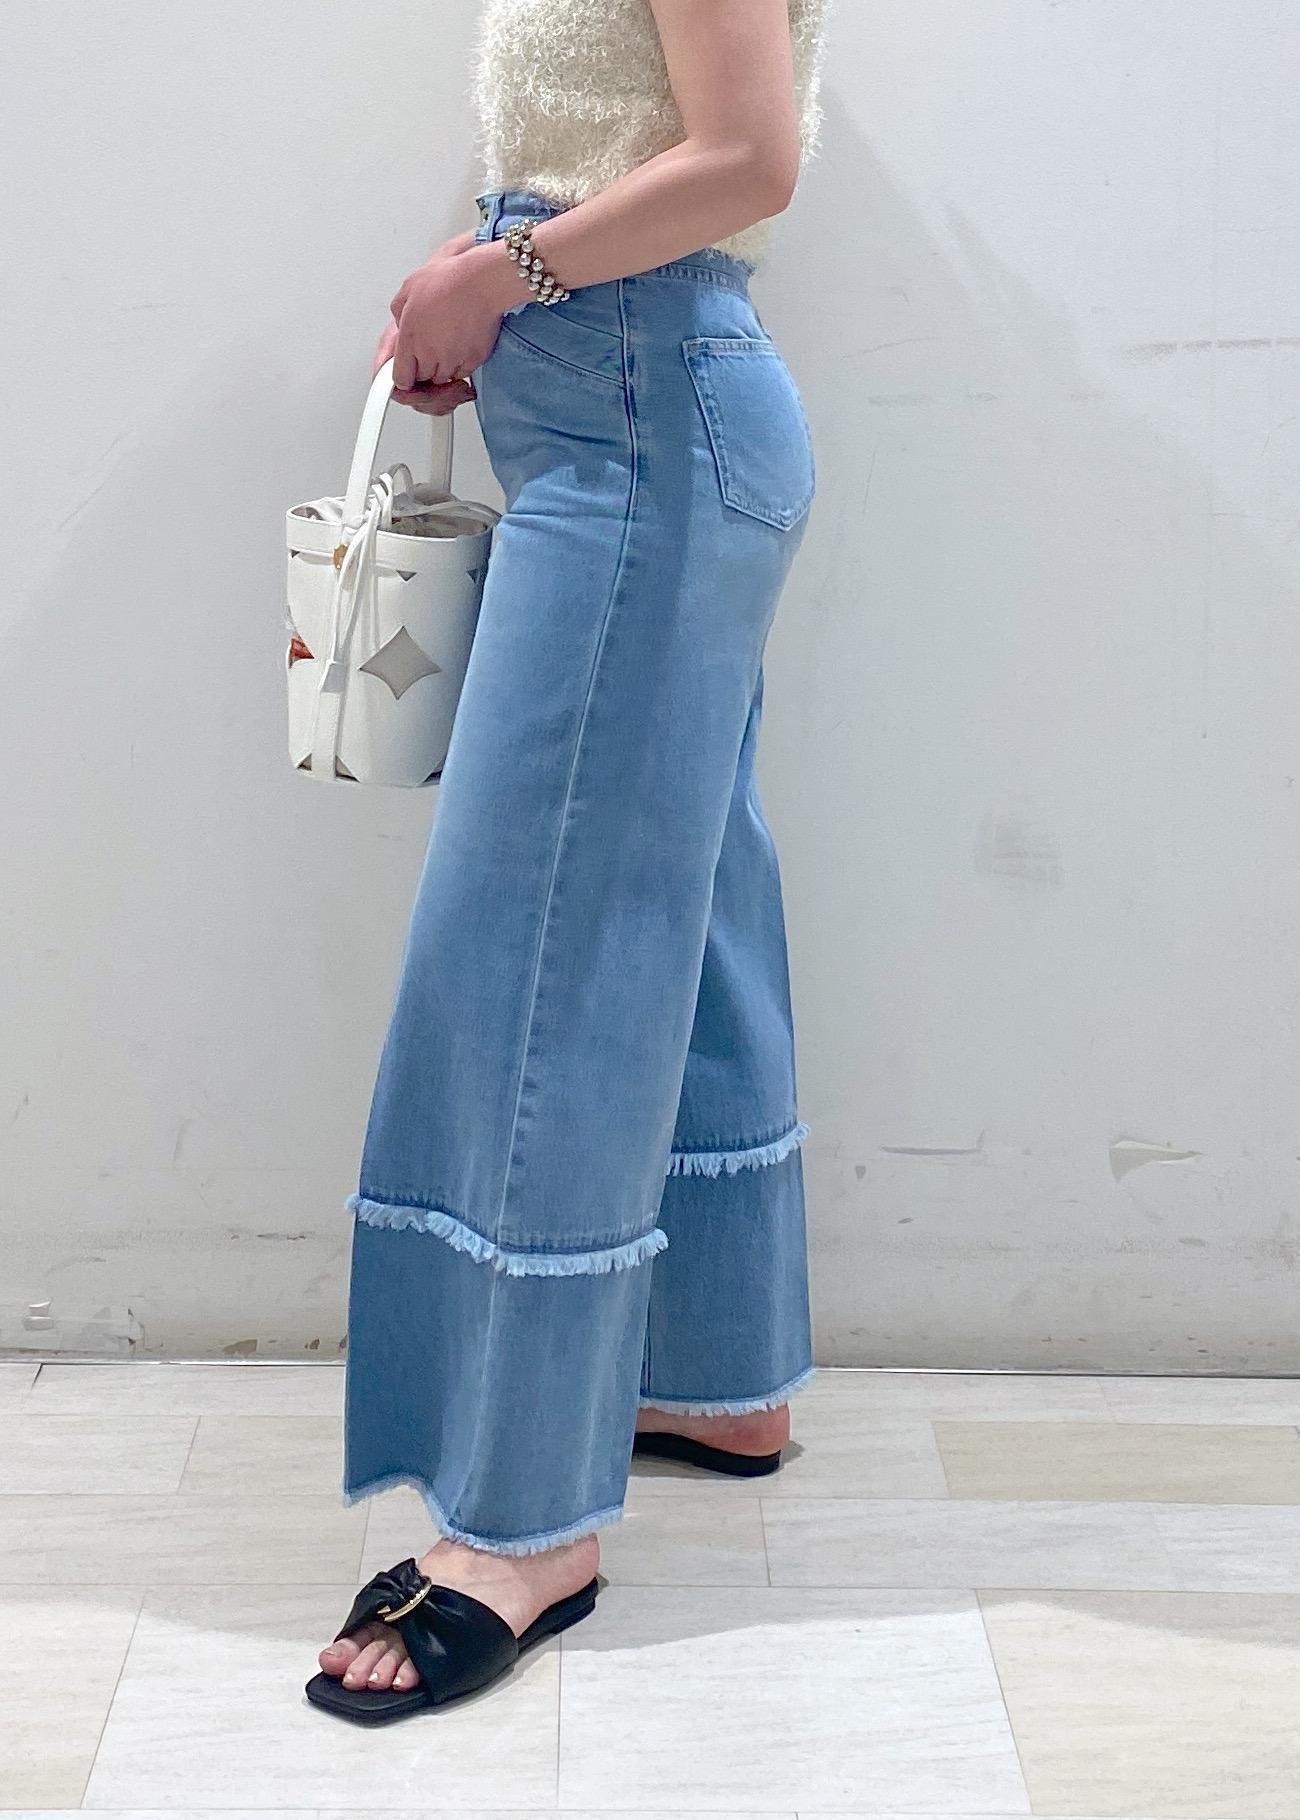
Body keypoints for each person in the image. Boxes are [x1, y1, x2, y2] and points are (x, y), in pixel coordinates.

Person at [306, 0, 829, 1724]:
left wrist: (503, 277)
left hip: (638, 423)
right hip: (631, 410)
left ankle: (520, 1528)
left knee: (542, 947)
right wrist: (492, 273)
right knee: (679, 904)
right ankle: (713, 1372)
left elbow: (750, 157)